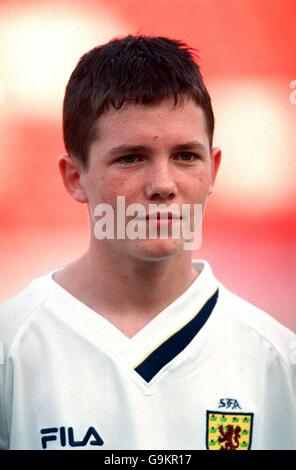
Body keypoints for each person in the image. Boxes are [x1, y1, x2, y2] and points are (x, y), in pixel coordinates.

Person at [0, 35, 295, 451]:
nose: (162, 185)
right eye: (131, 157)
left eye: (186, 156)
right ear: (74, 177)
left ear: (213, 170)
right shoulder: (11, 348)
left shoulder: (277, 361)